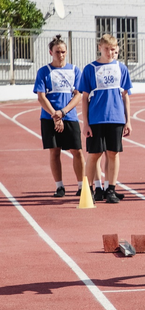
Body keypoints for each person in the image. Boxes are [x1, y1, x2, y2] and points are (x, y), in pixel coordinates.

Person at [79, 34, 132, 205]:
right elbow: (84, 98)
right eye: (106, 49)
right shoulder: (90, 69)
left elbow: (125, 96)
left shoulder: (121, 68)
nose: (110, 52)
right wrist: (85, 122)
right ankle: (89, 190)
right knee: (94, 154)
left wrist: (128, 120)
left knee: (113, 153)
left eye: (113, 49)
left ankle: (111, 189)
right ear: (100, 48)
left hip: (116, 117)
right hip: (96, 119)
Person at [33, 35, 84, 197]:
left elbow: (78, 95)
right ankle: (59, 186)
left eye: (63, 52)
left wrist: (63, 112)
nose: (60, 55)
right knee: (54, 152)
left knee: (77, 151)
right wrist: (55, 115)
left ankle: (82, 186)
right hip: (49, 118)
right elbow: (41, 97)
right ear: (50, 52)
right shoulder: (44, 72)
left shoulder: (75, 70)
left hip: (69, 116)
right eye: (57, 52)